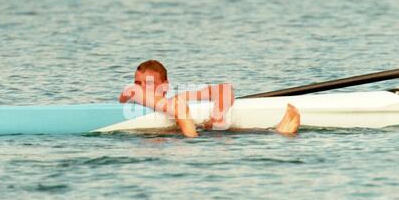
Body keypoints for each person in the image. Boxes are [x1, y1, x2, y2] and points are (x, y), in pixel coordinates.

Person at [119, 60, 300, 138]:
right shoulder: (133, 93)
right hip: (184, 139)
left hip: (184, 138)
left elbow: (224, 89)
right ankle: (279, 133)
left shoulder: (178, 98)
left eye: (148, 84)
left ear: (165, 86)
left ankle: (276, 133)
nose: (141, 87)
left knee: (226, 132)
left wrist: (218, 114)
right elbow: (134, 92)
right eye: (138, 82)